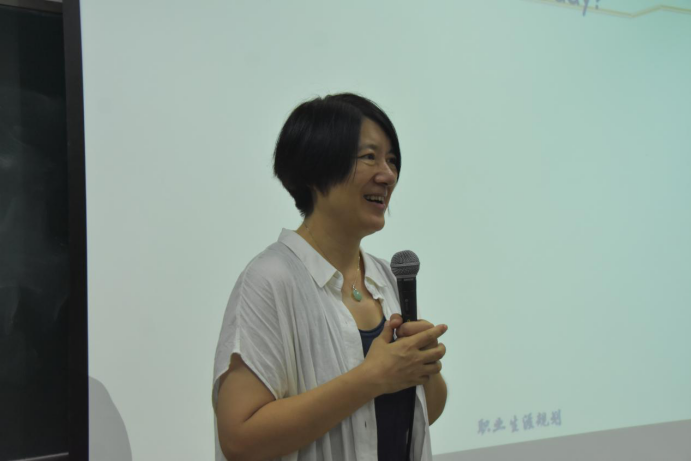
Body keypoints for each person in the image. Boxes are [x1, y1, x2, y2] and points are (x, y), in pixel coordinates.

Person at [212, 93, 448, 461]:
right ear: (316, 168)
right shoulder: (270, 280)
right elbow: (240, 439)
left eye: (392, 160)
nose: (388, 175)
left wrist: (423, 368)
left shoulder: (385, 277)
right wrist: (370, 378)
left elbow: (422, 414)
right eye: (369, 157)